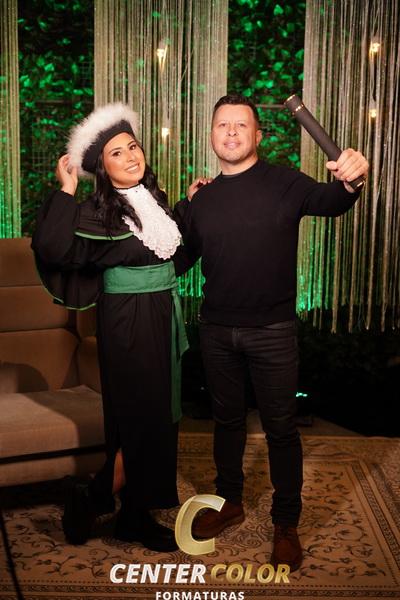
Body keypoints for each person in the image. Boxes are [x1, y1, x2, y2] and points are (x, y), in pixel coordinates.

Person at [174, 93, 369, 571]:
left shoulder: (285, 182)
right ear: (212, 136)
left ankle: (286, 523)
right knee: (227, 422)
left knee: (281, 429)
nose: (232, 131)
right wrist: (182, 204)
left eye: (241, 125)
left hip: (273, 332)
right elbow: (178, 260)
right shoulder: (203, 199)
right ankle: (229, 502)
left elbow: (333, 201)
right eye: (223, 124)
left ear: (258, 135)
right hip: (216, 330)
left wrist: (352, 179)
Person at [32, 103, 189, 552]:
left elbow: (170, 257)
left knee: (156, 417)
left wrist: (190, 205)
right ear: (102, 167)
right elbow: (52, 246)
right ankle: (95, 499)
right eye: (117, 153)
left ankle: (131, 516)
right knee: (141, 418)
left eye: (133, 147)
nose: (130, 156)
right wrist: (66, 189)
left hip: (160, 313)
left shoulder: (153, 200)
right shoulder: (98, 212)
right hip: (127, 321)